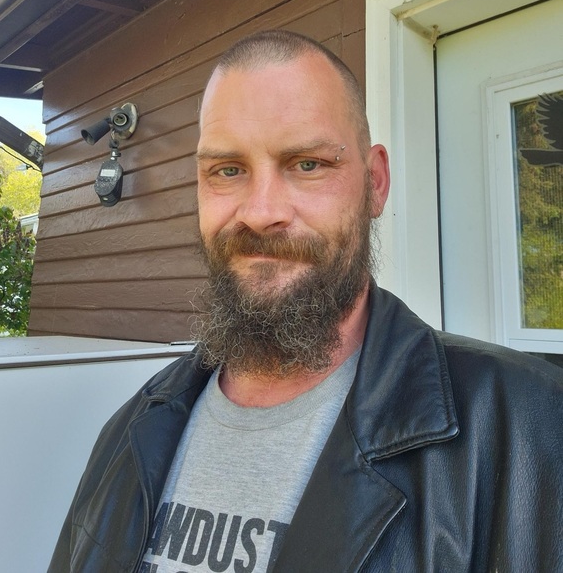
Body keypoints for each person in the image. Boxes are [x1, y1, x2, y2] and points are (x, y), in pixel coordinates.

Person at [49, 30, 563, 573]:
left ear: (375, 183)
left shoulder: (529, 430)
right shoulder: (129, 434)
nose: (260, 212)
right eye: (228, 170)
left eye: (307, 164)